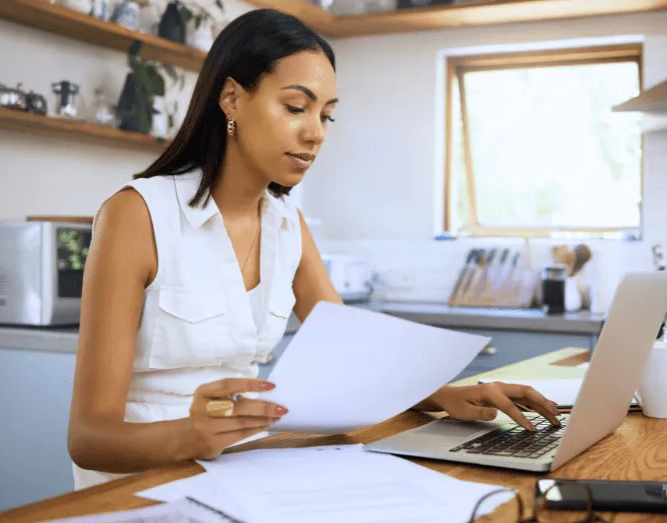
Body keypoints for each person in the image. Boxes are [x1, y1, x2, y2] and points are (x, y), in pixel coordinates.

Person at [66, 8, 561, 490]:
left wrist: (451, 395)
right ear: (232, 98)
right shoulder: (137, 215)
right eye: (295, 107)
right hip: (139, 486)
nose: (315, 133)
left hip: (239, 470)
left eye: (327, 115)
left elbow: (353, 354)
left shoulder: (286, 224)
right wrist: (190, 435)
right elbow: (89, 440)